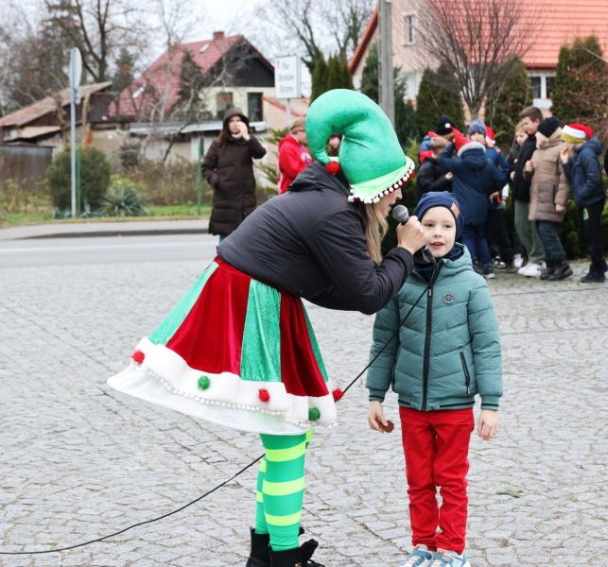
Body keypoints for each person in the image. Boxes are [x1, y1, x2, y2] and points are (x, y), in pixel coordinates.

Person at [108, 90, 429, 567]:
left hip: (265, 297)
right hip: (247, 302)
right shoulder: (332, 211)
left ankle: (269, 551)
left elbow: (338, 289)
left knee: (286, 433)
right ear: (373, 182)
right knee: (286, 433)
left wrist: (391, 264)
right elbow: (366, 296)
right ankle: (282, 558)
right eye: (395, 183)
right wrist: (405, 251)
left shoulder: (324, 199)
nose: (400, 194)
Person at [366, 191, 502, 567]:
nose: (437, 233)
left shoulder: (472, 284)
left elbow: (488, 346)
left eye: (446, 226)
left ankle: (451, 549)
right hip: (411, 404)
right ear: (415, 229)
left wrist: (489, 404)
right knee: (419, 482)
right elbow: (384, 341)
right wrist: (375, 395)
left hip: (455, 404)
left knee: (451, 480)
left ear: (458, 232)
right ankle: (423, 545)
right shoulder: (399, 280)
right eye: (429, 225)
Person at [438, 137, 504, 278]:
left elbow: (442, 159)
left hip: (464, 206)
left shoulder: (459, 164)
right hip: (481, 205)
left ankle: (470, 267)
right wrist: (489, 189)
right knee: (481, 236)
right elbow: (500, 180)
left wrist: (453, 143)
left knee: (467, 236)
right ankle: (488, 267)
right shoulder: (489, 164)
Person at [202, 107, 267, 241]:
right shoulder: (218, 145)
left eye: (238, 120)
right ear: (226, 124)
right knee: (226, 241)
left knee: (247, 240)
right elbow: (206, 168)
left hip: (246, 200)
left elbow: (260, 153)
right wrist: (218, 182)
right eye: (231, 121)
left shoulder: (247, 142)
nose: (235, 123)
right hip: (225, 200)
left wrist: (248, 137)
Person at [524, 116, 573, 281]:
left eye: (539, 133)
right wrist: (528, 170)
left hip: (551, 199)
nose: (536, 135)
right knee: (542, 233)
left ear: (547, 134)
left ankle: (562, 265)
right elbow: (529, 177)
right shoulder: (538, 151)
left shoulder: (561, 149)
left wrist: (561, 201)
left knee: (547, 232)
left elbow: (565, 178)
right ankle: (551, 265)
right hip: (538, 199)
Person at [561, 123, 608, 282]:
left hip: (591, 201)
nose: (564, 144)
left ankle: (598, 270)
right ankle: (598, 265)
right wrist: (566, 162)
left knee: (591, 235)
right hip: (586, 201)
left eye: (565, 140)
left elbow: (594, 178)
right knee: (588, 235)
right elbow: (574, 178)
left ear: (574, 139)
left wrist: (581, 196)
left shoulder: (586, 154)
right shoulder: (578, 154)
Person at [469, 120, 514, 271]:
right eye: (473, 133)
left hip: (493, 199)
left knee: (498, 229)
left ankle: (508, 259)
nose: (476, 136)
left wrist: (498, 189)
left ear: (484, 135)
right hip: (476, 200)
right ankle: (484, 259)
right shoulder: (465, 152)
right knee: (481, 232)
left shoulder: (493, 152)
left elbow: (506, 169)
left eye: (479, 133)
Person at [512, 107, 546, 277]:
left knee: (534, 228)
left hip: (533, 192)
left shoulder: (541, 140)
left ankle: (538, 259)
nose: (524, 127)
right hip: (521, 191)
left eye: (527, 123)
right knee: (521, 225)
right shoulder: (530, 140)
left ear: (536, 122)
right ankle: (532, 257)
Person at [507, 127, 529, 268]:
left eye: (522, 135)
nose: (519, 138)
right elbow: (507, 169)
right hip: (517, 192)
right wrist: (510, 176)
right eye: (517, 136)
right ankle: (518, 253)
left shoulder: (531, 149)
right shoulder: (513, 153)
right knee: (518, 225)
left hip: (529, 191)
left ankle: (530, 254)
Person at [277, 118, 312, 194]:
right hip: (290, 193)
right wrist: (312, 172)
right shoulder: (286, 147)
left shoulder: (301, 147)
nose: (309, 136)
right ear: (299, 131)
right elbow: (294, 171)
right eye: (307, 132)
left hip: (303, 191)